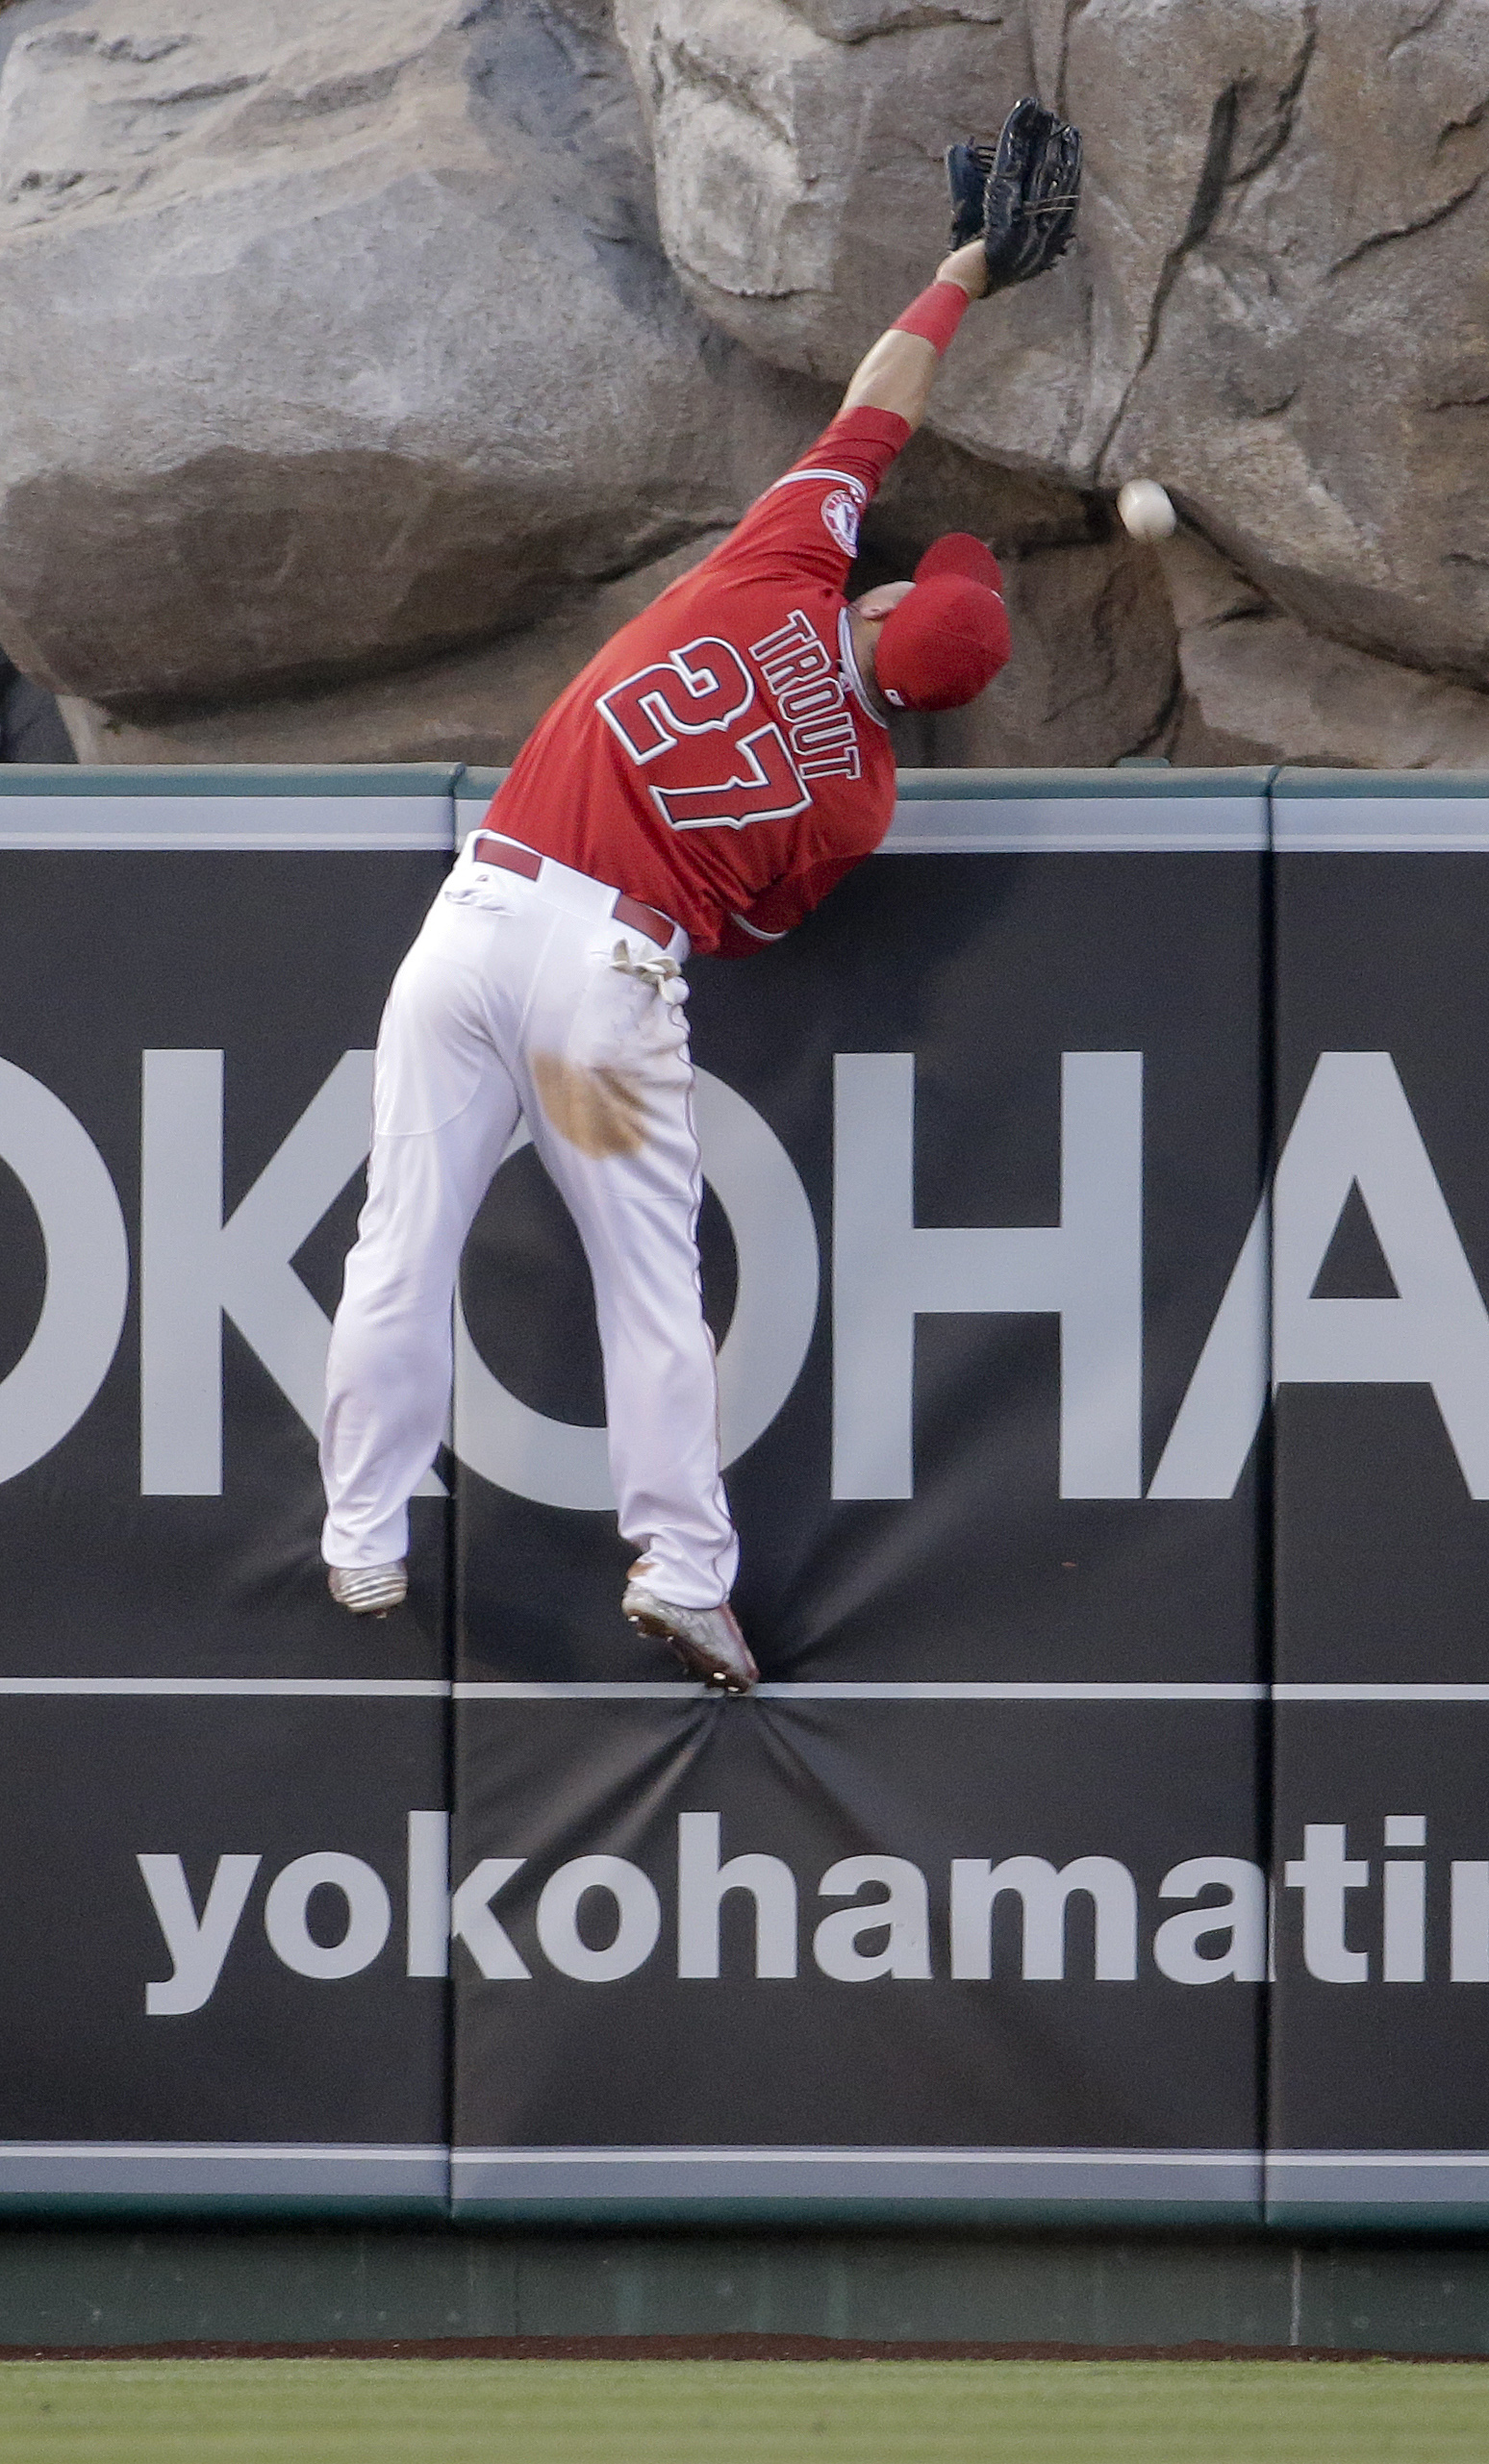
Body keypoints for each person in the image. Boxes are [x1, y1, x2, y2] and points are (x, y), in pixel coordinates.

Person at [318, 105, 1079, 1695]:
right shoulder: (859, 797)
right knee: (650, 1289)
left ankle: (363, 1533)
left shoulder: (775, 569)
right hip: (605, 991)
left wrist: (961, 274)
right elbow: (750, 930)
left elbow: (875, 411)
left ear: (885, 595)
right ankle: (679, 1567)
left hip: (475, 929)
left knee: (402, 1236)